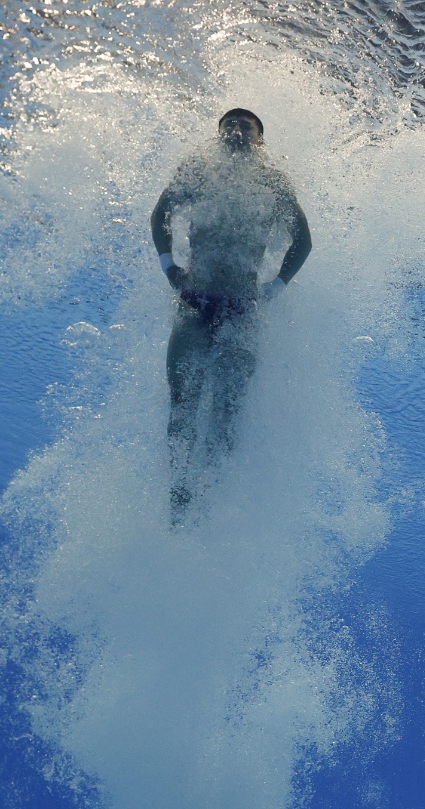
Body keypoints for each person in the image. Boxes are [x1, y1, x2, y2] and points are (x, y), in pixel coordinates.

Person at [151, 108, 312, 521]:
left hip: (242, 309)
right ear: (217, 135)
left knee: (227, 407)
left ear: (260, 139)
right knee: (183, 401)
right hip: (194, 301)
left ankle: (209, 496)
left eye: (247, 126)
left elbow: (304, 242)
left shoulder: (272, 182)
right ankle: (179, 491)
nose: (236, 129)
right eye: (229, 125)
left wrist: (274, 288)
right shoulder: (198, 172)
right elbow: (159, 214)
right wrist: (171, 266)